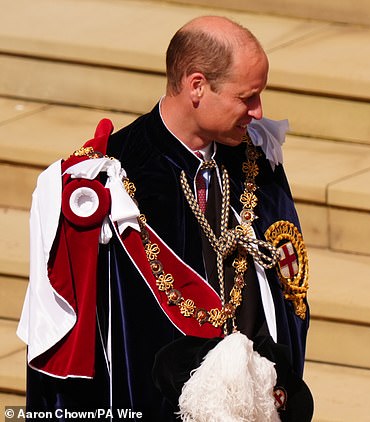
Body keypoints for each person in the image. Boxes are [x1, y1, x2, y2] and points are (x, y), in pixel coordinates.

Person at [17, 15, 310, 421]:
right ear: (197, 86)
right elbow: (79, 355)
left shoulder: (255, 160)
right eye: (247, 97)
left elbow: (286, 293)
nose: (259, 112)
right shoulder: (107, 183)